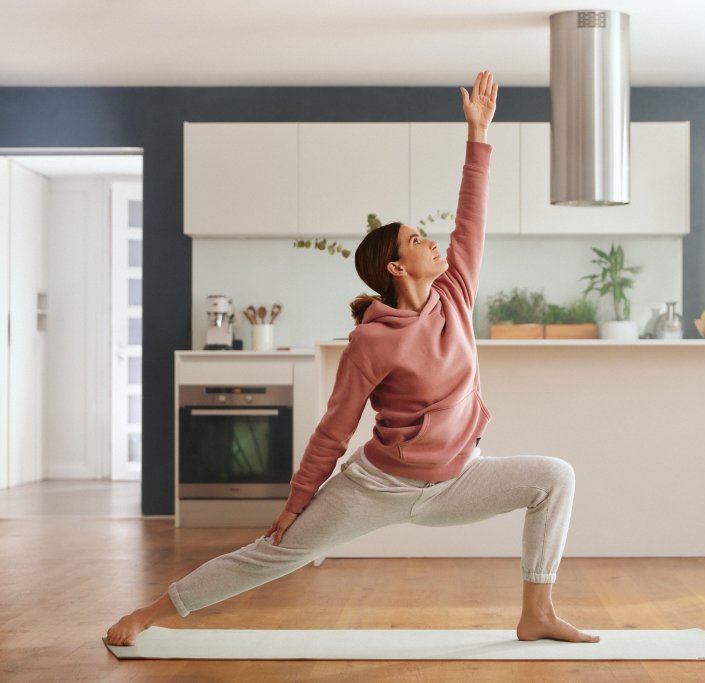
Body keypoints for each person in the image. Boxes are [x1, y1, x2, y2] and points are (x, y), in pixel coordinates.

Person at [107, 71, 598, 647]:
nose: (432, 242)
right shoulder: (372, 340)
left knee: (554, 478)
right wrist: (296, 505)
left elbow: (472, 218)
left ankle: (536, 613)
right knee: (274, 555)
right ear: (395, 268)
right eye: (417, 241)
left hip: (459, 478)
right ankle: (149, 612)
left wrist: (478, 135)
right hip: (379, 485)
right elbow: (335, 427)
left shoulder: (455, 294)